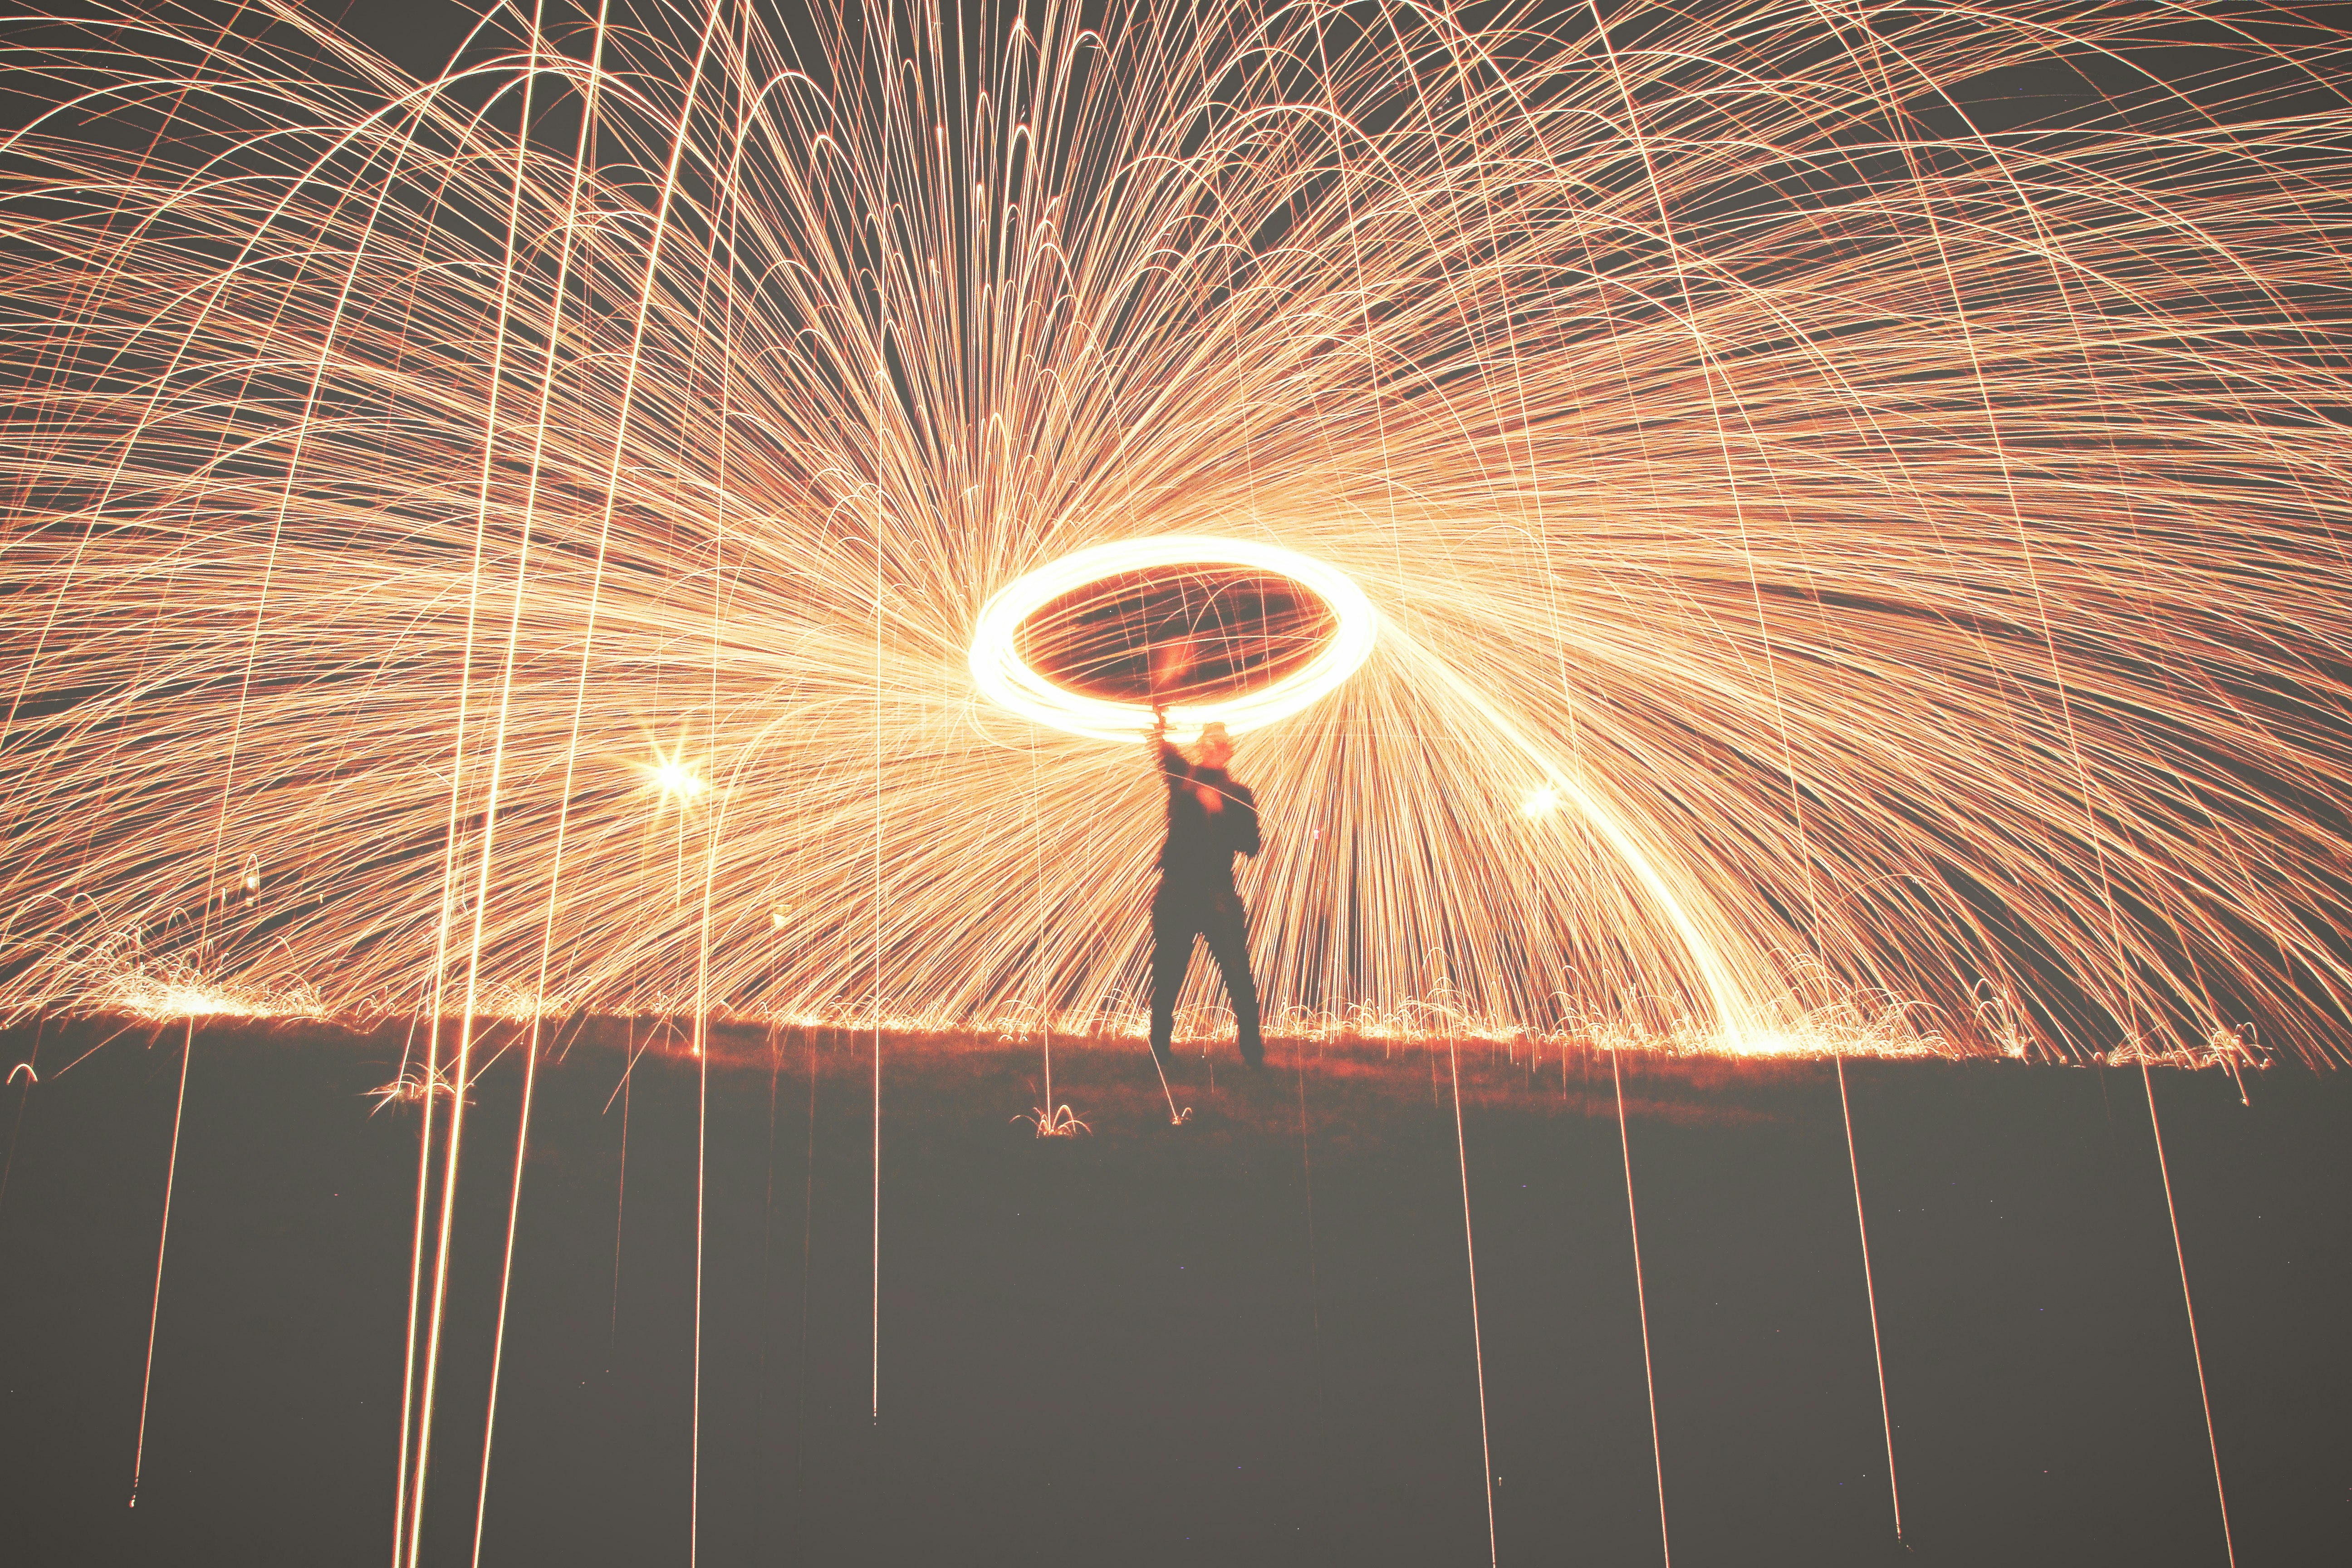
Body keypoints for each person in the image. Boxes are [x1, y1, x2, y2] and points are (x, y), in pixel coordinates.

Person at [1147, 708, 1264, 1073]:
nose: (1216, 748)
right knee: (1167, 971)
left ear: (1229, 751)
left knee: (1238, 975)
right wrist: (1159, 718)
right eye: (1210, 742)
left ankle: (1254, 1053)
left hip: (1217, 893)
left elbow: (1252, 844)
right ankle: (1159, 1051)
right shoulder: (1183, 778)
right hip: (1178, 890)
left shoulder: (1239, 793)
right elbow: (1162, 749)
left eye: (1222, 744)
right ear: (1201, 746)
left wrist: (1222, 811)